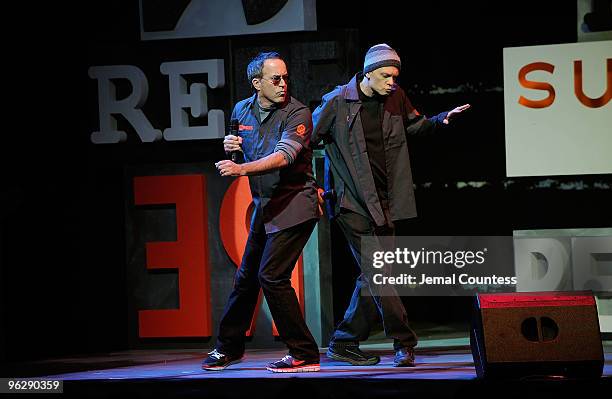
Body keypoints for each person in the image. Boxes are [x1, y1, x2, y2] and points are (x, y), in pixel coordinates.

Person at [312, 44, 470, 367]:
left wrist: (440, 121)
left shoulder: (395, 97)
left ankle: (344, 340)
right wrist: (313, 185)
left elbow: (414, 123)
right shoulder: (337, 102)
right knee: (380, 274)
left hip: (385, 203)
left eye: (395, 76)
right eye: (386, 75)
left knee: (379, 275)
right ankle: (403, 342)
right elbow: (302, 143)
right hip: (351, 203)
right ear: (367, 73)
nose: (392, 82)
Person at [202, 52, 320, 373]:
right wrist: (230, 145)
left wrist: (240, 169)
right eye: (275, 79)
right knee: (246, 278)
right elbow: (238, 142)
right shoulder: (242, 109)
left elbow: (284, 157)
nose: (283, 84)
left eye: (285, 78)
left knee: (272, 276)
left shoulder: (298, 113)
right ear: (257, 83)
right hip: (265, 206)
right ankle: (229, 348)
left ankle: (304, 353)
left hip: (296, 205)